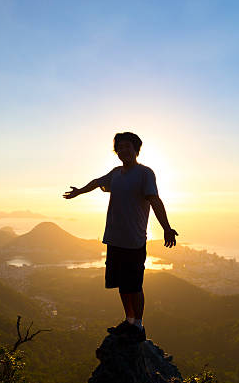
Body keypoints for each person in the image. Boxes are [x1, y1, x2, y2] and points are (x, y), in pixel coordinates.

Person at [63, 132, 178, 342]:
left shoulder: (145, 173)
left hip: (134, 241)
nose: (124, 151)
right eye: (120, 147)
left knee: (134, 285)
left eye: (128, 146)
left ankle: (139, 326)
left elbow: (155, 200)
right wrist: (79, 191)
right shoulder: (116, 174)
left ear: (136, 149)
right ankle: (129, 320)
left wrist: (167, 228)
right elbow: (98, 182)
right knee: (121, 285)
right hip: (114, 239)